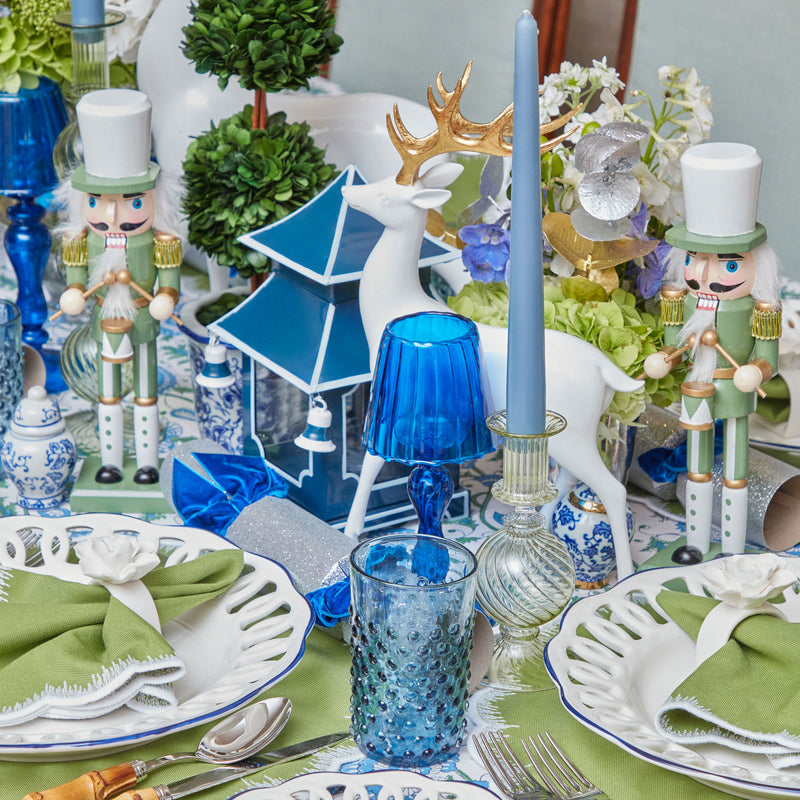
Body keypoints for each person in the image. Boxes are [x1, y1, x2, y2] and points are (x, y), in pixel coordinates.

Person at [643, 142, 782, 563]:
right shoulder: (681, 300)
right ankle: (696, 543)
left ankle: (734, 550)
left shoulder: (759, 308)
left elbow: (767, 356)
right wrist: (665, 357)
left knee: (736, 471)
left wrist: (756, 371)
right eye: (695, 260)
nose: (705, 274)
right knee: (697, 466)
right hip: (697, 386)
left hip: (734, 390)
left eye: (729, 264)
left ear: (757, 263)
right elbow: (673, 342)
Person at [56, 89, 183, 485]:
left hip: (143, 321)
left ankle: (147, 464)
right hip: (104, 319)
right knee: (107, 391)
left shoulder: (159, 241)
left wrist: (165, 297)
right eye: (97, 202)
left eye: (133, 202)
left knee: (146, 390)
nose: (113, 213)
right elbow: (76, 278)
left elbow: (170, 284)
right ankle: (110, 462)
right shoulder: (82, 239)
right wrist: (74, 292)